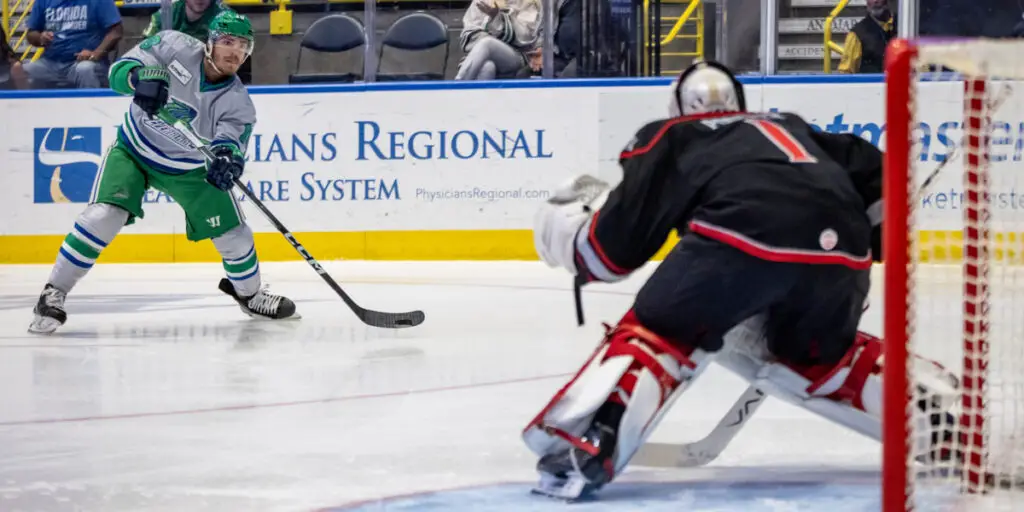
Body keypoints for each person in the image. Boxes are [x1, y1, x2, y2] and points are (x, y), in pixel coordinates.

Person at [523, 60, 960, 500]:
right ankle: (942, 425)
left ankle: (590, 446)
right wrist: (848, 249)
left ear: (679, 106)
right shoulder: (790, 126)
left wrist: (576, 245)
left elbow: (615, 252)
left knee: (663, 325)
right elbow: (885, 189)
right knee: (818, 356)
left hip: (739, 238)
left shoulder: (671, 135)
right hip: (844, 253)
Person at [28, 11, 297, 335]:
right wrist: (138, 79)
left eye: (243, 47)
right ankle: (52, 293)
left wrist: (228, 160)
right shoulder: (173, 45)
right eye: (228, 42)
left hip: (189, 169)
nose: (235, 52)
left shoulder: (238, 101)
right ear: (209, 42)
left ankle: (251, 296)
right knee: (103, 216)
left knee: (236, 236)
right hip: (135, 151)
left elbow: (231, 141)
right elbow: (118, 71)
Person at [23, 0, 123, 88]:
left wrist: (95, 54)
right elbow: (31, 33)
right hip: (51, 62)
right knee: (24, 71)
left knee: (85, 69)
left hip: (84, 62)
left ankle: (90, 108)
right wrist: (40, 37)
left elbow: (116, 31)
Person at [455, 0, 541, 80]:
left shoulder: (529, 3)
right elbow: (469, 31)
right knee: (487, 67)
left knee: (488, 43)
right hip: (482, 55)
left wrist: (498, 18)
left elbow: (525, 36)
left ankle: (456, 88)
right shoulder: (483, 1)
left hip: (517, 56)